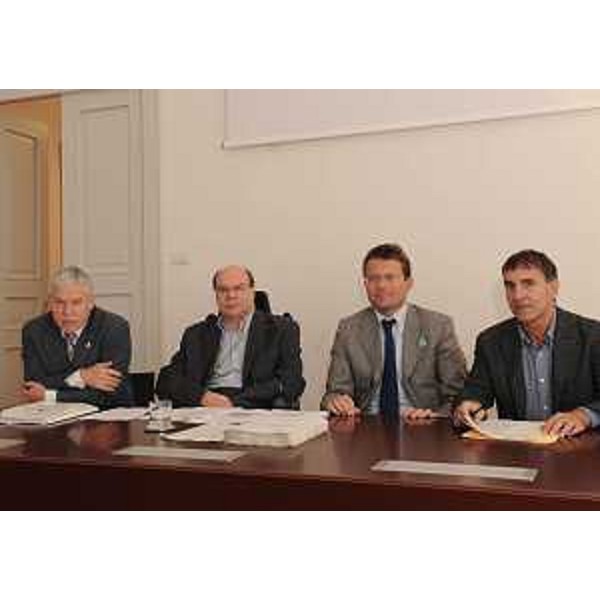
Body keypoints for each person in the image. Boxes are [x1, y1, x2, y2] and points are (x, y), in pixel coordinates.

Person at [454, 249, 600, 437]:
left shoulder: (593, 336)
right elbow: (475, 391)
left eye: (528, 284)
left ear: (553, 287)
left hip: (579, 447)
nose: (517, 295)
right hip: (517, 449)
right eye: (510, 286)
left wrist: (583, 416)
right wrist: (468, 405)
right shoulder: (491, 341)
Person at [322, 243, 466, 419]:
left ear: (408, 283)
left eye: (390, 277)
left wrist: (435, 416)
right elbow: (334, 392)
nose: (381, 285)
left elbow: (458, 395)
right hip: (366, 424)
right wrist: (336, 401)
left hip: (421, 424)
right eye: (373, 278)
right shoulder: (349, 329)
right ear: (365, 284)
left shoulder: (437, 326)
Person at [156, 265, 305, 409]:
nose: (231, 296)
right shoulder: (196, 334)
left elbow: (292, 381)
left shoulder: (281, 330)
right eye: (223, 290)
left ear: (252, 292)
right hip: (206, 408)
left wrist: (233, 402)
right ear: (216, 294)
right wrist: (203, 397)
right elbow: (166, 380)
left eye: (239, 288)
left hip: (253, 407)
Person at [21, 266, 133, 408]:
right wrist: (81, 377)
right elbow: (33, 387)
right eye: (59, 302)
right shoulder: (34, 331)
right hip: (50, 414)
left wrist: (51, 395)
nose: (67, 312)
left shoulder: (114, 328)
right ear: (50, 303)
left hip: (106, 414)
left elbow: (110, 393)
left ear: (90, 303)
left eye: (76, 302)